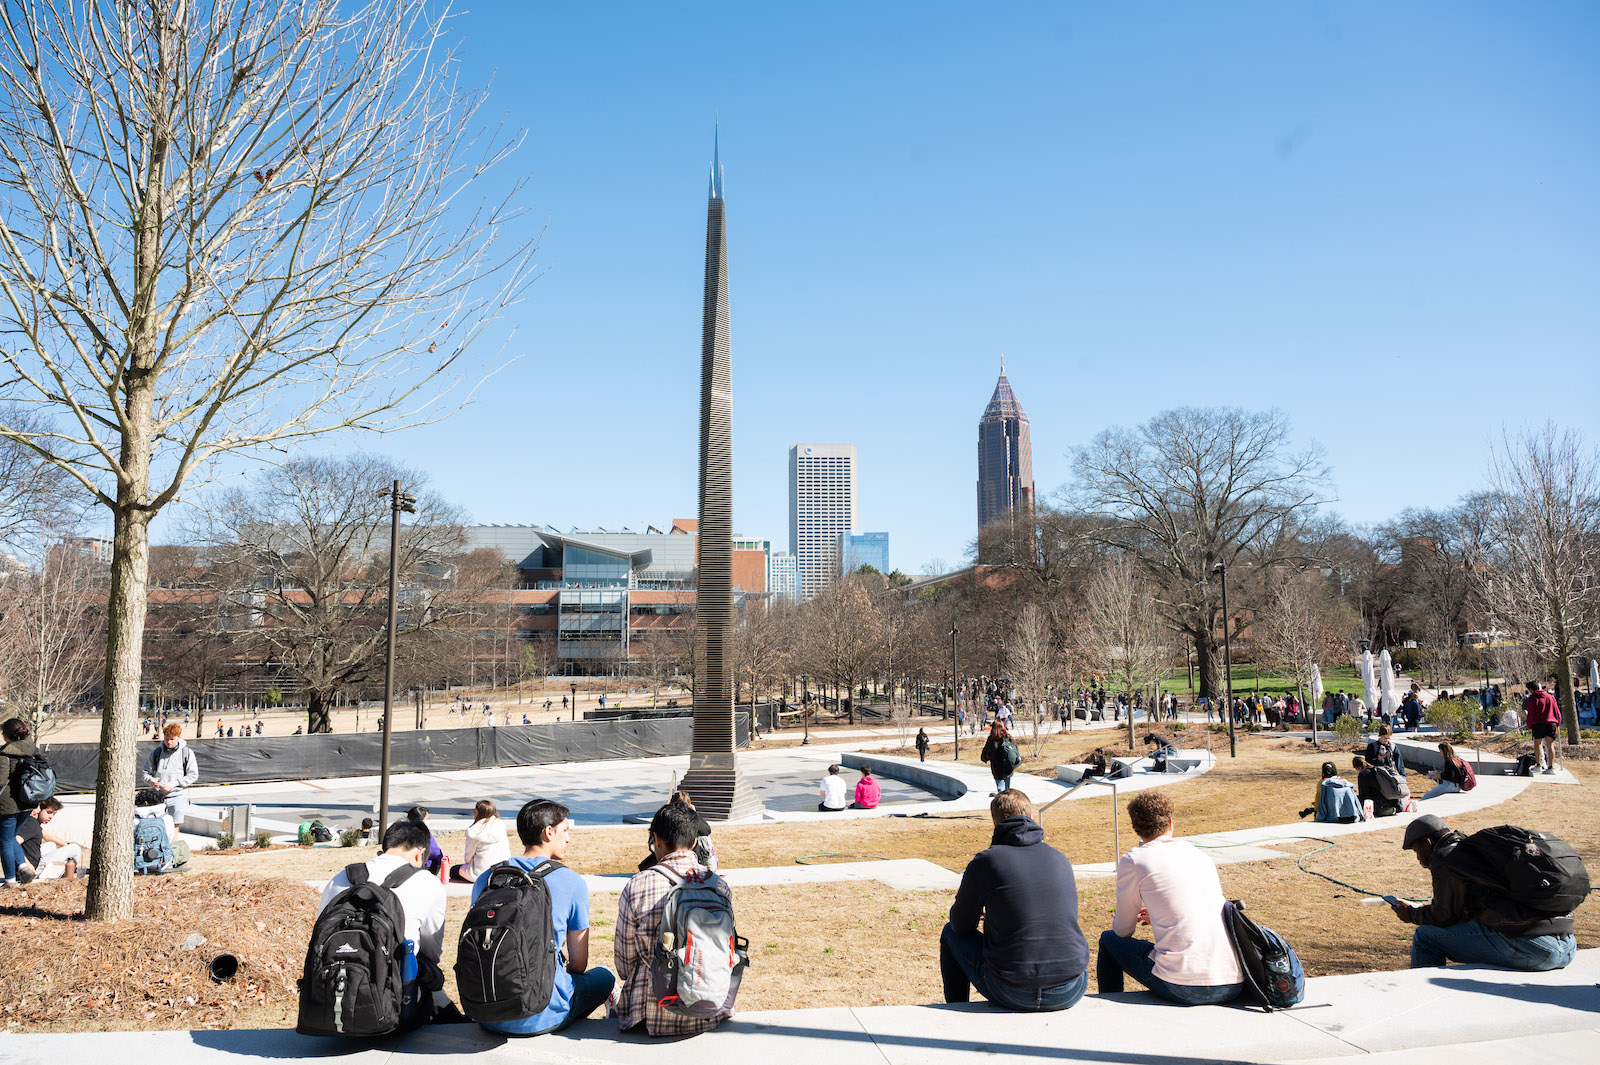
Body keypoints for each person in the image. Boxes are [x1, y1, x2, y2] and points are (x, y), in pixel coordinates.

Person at [470, 798, 614, 1035]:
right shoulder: (571, 881)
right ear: (549, 832)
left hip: (486, 1011)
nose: (568, 838)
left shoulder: (487, 878)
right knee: (605, 977)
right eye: (565, 831)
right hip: (543, 1013)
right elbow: (579, 965)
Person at [941, 791, 1089, 1011]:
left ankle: (957, 1009)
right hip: (1071, 987)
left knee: (949, 933)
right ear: (1032, 817)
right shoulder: (1059, 857)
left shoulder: (987, 861)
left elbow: (960, 925)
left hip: (1012, 990)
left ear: (994, 823)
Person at [1097, 790, 1244, 1005]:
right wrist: (1159, 914)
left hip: (1184, 984)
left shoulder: (1135, 860)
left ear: (1136, 828)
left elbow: (1123, 930)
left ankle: (1107, 1009)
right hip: (1232, 980)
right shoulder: (1200, 856)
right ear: (1171, 823)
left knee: (1109, 940)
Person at [1391, 814, 1577, 971]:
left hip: (1536, 950)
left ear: (1428, 843)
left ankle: (1424, 1003)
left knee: (1425, 937)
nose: (1417, 858)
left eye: (1416, 850)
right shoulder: (1475, 850)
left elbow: (1444, 917)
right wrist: (1426, 908)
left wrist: (1412, 914)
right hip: (1568, 946)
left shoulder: (1445, 858)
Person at [319, 819, 455, 1028]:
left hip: (329, 1002)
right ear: (419, 854)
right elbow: (431, 952)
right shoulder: (428, 883)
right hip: (394, 1011)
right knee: (430, 974)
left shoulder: (341, 877)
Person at [614, 801, 735, 1036]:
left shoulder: (638, 884)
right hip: (710, 1008)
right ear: (693, 843)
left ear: (656, 840)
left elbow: (624, 962)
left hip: (650, 1012)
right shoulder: (719, 886)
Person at [1, 718, 42, 886]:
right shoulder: (34, 750)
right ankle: (24, 868)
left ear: (7, 735)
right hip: (29, 802)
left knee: (4, 840)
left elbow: (1, 779)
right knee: (10, 838)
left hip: (8, 805)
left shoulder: (4, 752)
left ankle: (10, 881)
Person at [638, 791, 713, 872]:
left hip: (663, 854)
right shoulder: (689, 820)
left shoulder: (664, 817)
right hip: (688, 857)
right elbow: (706, 830)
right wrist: (694, 814)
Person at [141, 722, 199, 826]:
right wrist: (151, 781)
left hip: (178, 796)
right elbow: (145, 773)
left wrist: (175, 783)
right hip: (158, 797)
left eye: (172, 739)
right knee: (157, 826)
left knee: (174, 826)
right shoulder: (156, 753)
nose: (169, 742)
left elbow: (193, 775)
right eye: (166, 739)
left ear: (179, 737)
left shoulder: (187, 753)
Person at [17, 798, 81, 879]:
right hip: (31, 869)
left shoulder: (32, 822)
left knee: (51, 844)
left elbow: (47, 836)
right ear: (38, 809)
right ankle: (68, 876)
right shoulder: (31, 824)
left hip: (34, 862)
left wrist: (66, 845)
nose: (51, 817)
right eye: (49, 812)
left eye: (54, 814)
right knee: (75, 848)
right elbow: (14, 842)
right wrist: (25, 865)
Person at [451, 800, 512, 883]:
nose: (473, 812)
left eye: (475, 811)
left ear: (479, 813)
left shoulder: (474, 831)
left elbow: (468, 857)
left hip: (481, 873)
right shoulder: (500, 824)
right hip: (502, 870)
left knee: (453, 870)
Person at [1525, 681, 1562, 774]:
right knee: (1550, 745)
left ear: (1530, 689)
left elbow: (1530, 714)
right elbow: (1557, 712)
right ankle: (1551, 767)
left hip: (1538, 724)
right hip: (1551, 723)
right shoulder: (1550, 697)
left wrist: (1529, 725)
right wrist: (1557, 723)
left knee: (1538, 744)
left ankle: (1538, 765)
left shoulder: (1532, 698)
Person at [980, 721, 1021, 794]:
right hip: (1008, 768)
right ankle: (1007, 802)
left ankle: (1002, 802)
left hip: (997, 769)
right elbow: (1015, 749)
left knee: (1001, 789)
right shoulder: (1008, 737)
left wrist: (985, 758)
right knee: (1007, 789)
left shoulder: (991, 739)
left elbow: (987, 753)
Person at [408, 806, 445, 876]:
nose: (428, 821)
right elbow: (436, 852)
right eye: (427, 819)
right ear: (421, 821)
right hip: (422, 867)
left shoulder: (404, 831)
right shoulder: (425, 834)